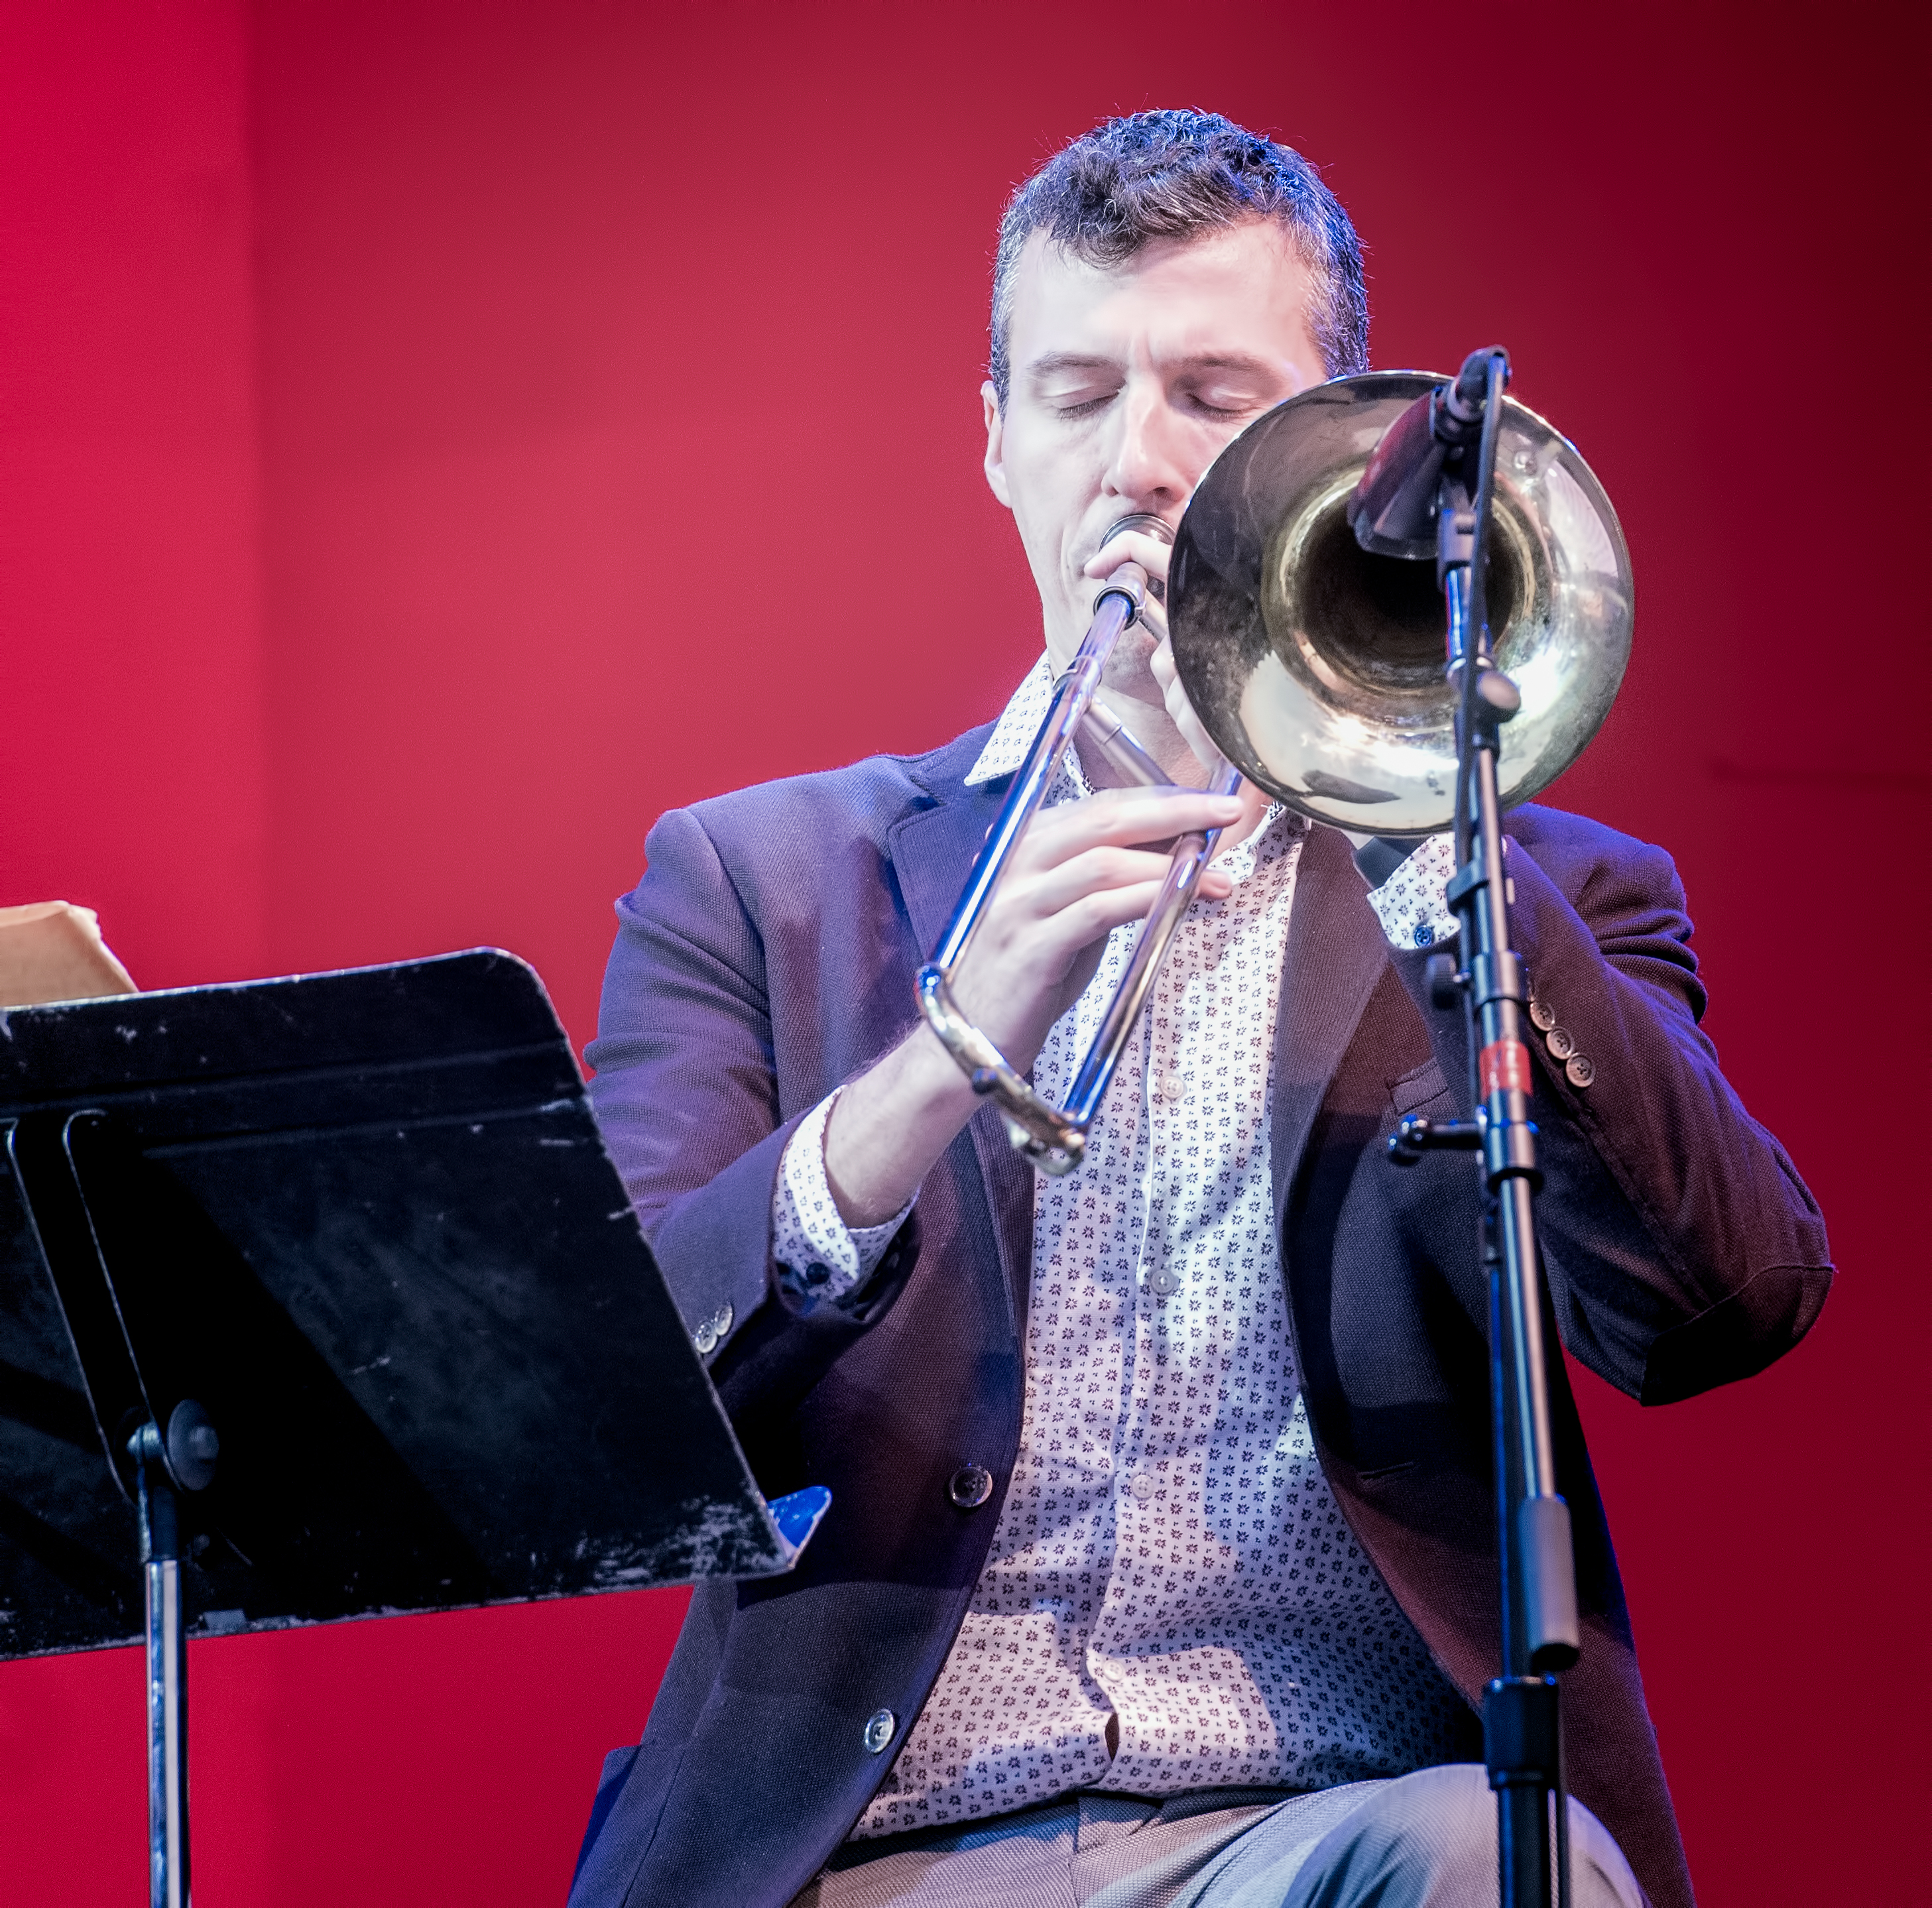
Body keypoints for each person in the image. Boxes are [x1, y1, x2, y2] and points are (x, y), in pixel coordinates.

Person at [565, 112, 1831, 1908]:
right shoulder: (755, 877)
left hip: (1323, 1829)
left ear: (1338, 454)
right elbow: (597, 1397)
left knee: (1497, 1863)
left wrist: (1417, 825)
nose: (1138, 465)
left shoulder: (1536, 882)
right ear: (996, 445)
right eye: (1076, 397)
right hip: (871, 1847)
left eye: (1210, 397)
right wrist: (932, 1067)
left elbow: (1728, 1305)